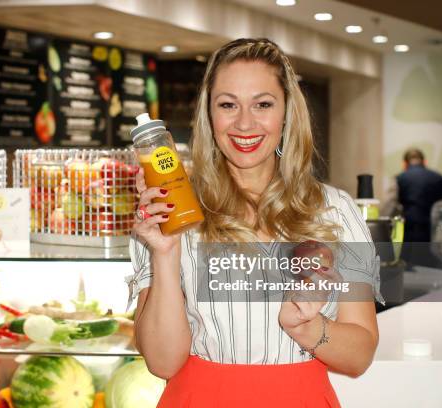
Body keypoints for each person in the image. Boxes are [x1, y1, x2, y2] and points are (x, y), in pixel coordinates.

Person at [127, 38, 383, 407]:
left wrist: (307, 327)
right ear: (209, 116)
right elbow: (163, 361)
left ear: (286, 113)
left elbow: (360, 356)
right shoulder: (169, 209)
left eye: (262, 104)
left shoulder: (335, 210)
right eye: (228, 105)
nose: (244, 123)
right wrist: (165, 252)